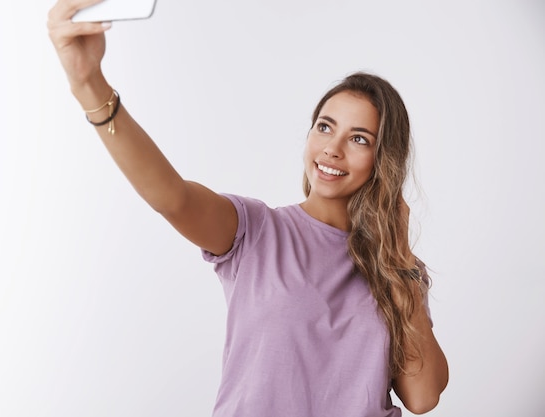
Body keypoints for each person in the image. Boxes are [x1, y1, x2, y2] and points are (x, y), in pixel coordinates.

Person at [47, 1, 449, 415]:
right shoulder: (257, 230)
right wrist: (89, 84)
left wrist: (399, 264)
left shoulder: (397, 269)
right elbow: (171, 197)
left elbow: (423, 397)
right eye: (325, 126)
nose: (333, 147)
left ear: (384, 159)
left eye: (359, 138)